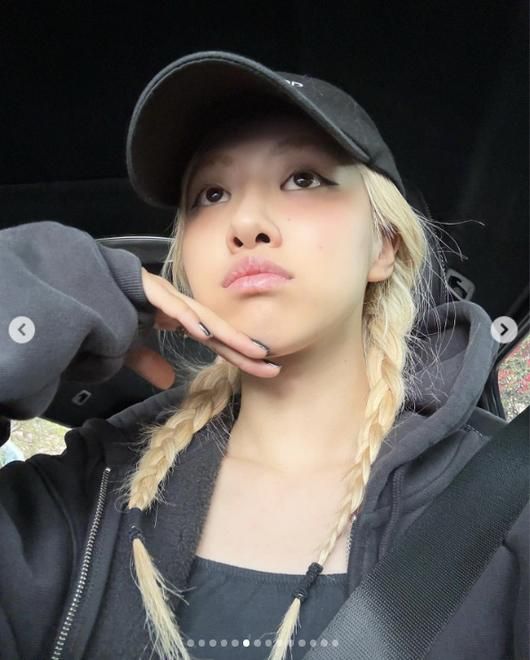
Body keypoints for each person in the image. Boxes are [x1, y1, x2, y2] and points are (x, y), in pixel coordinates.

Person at [0, 51, 527, 660]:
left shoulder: (509, 502)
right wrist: (23, 292)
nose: (246, 221)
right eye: (211, 193)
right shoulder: (80, 496)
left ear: (383, 245)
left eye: (303, 179)